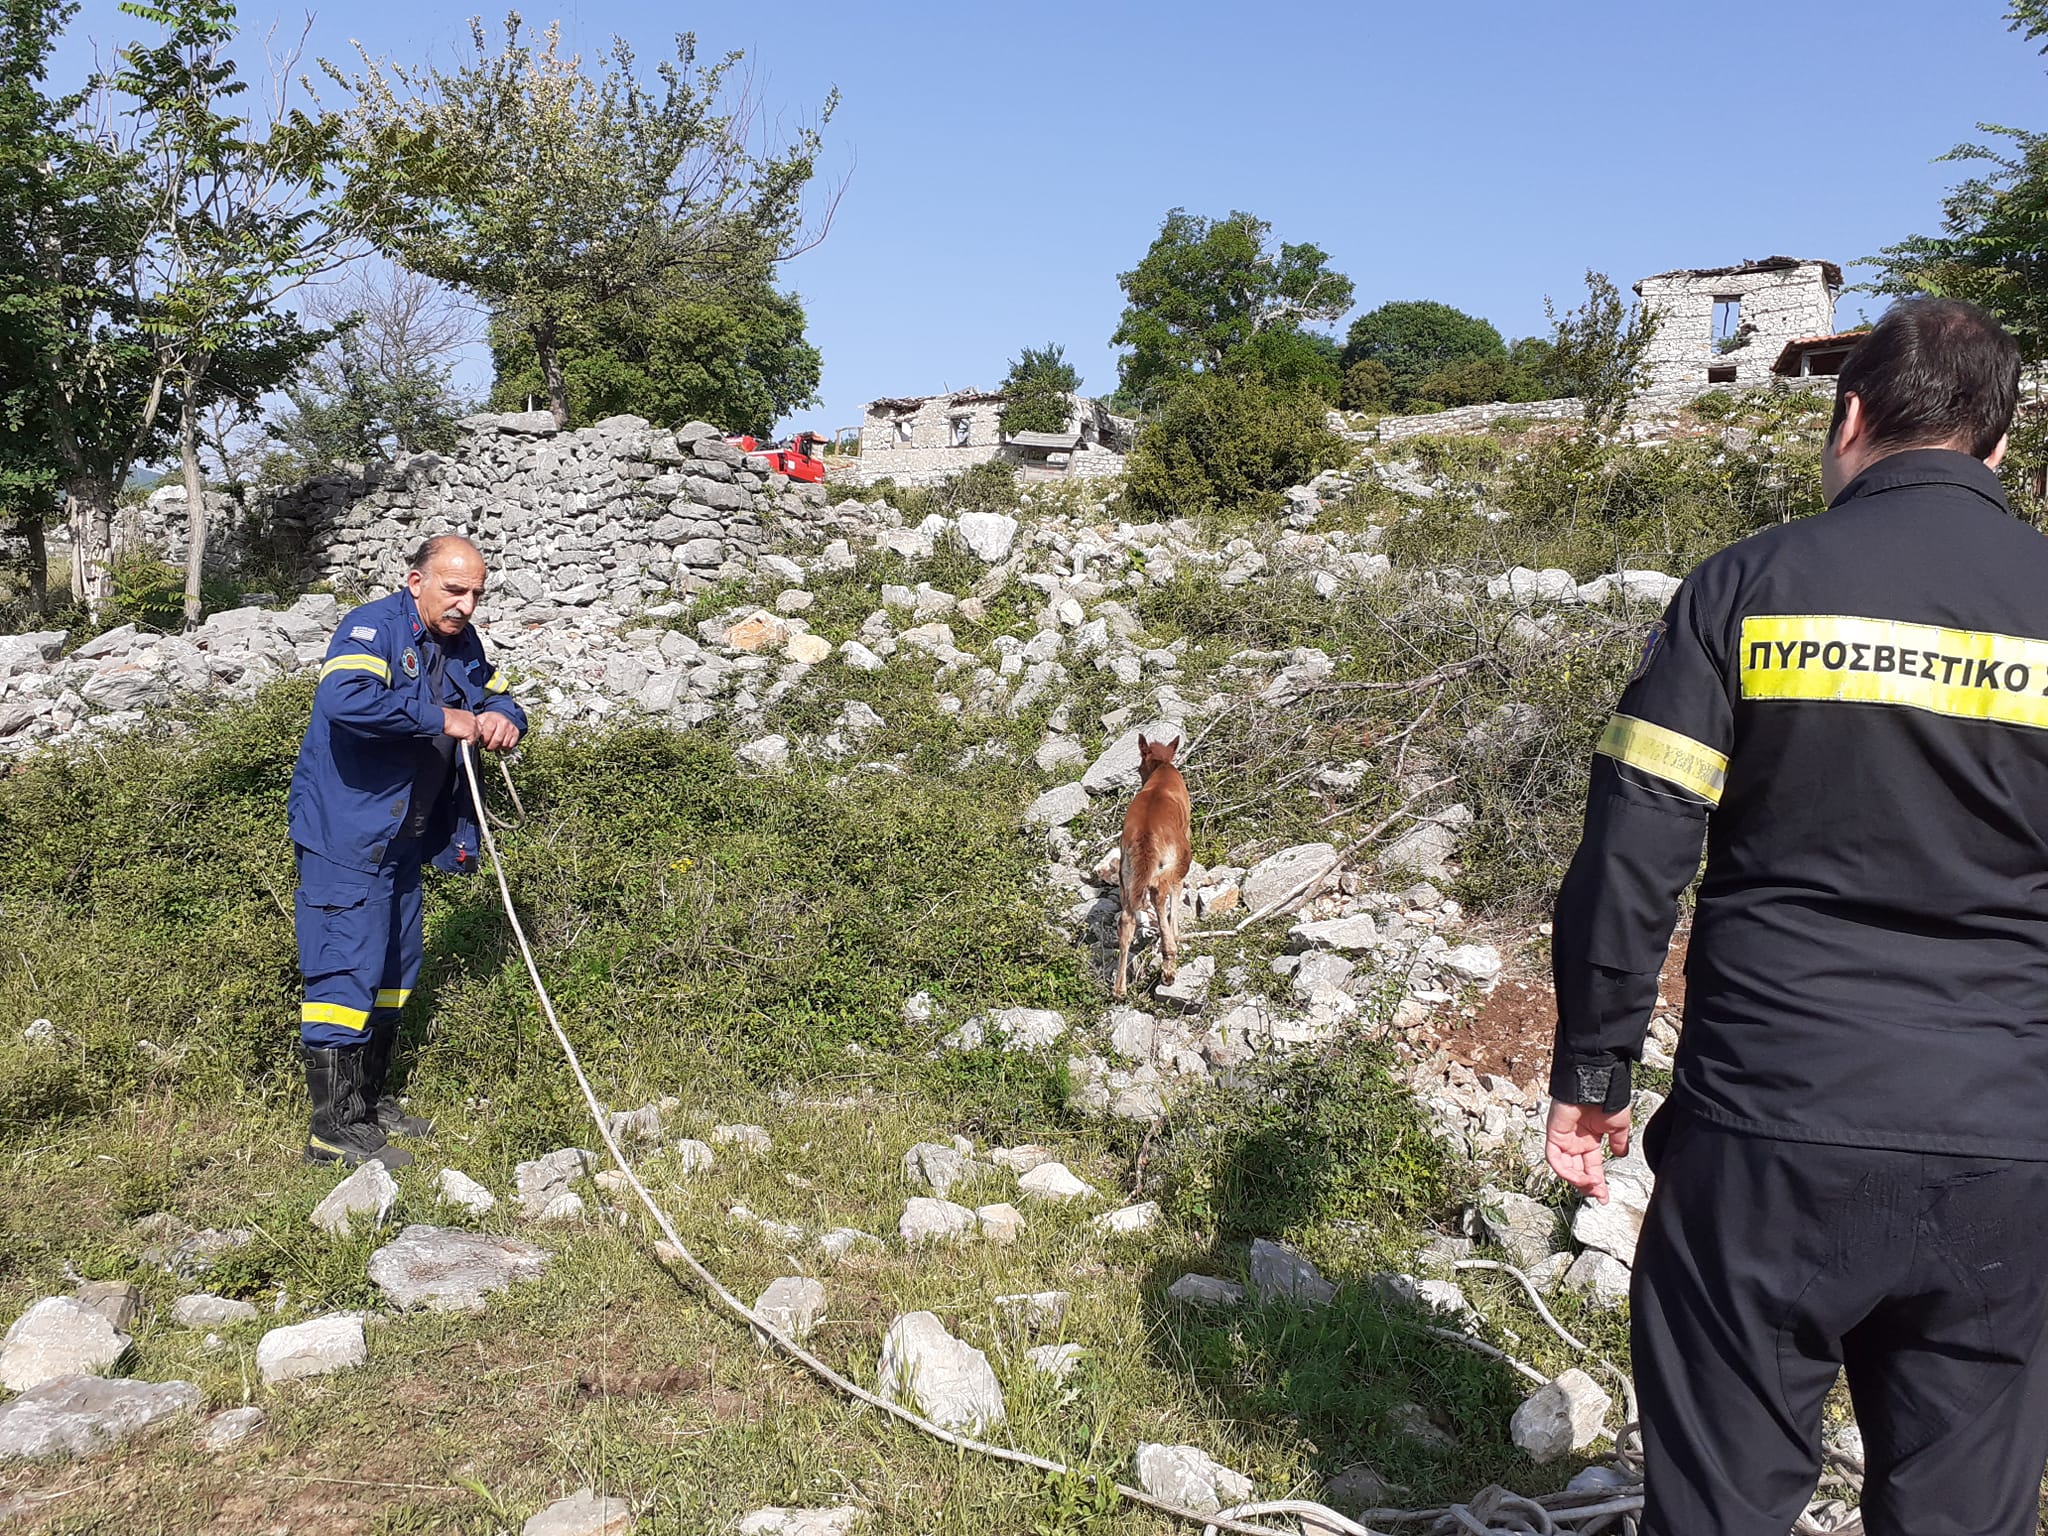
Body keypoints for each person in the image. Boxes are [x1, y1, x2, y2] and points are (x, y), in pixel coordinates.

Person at [1544, 297, 2048, 1536]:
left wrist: (1593, 1067)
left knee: (1719, 1505)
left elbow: (1633, 847)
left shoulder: (1747, 585)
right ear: (1997, 448)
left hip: (1767, 1128)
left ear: (1850, 416)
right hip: (2010, 1146)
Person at [287, 535, 525, 1169]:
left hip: (407, 838)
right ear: (415, 581)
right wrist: (445, 719)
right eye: (454, 590)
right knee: (344, 972)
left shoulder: (461, 642)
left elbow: (497, 694)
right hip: (349, 836)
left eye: (476, 593)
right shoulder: (371, 628)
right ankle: (331, 1133)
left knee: (395, 968)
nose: (467, 605)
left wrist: (503, 718)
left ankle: (368, 1102)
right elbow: (345, 701)